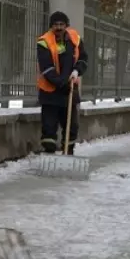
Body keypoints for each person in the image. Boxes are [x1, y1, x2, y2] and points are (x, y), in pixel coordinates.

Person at [36, 11, 89, 153]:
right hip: (50, 93)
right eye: (55, 25)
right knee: (49, 127)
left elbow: (83, 58)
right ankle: (49, 153)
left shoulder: (75, 39)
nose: (58, 28)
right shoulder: (44, 42)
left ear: (66, 25)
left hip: (70, 91)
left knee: (71, 126)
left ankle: (68, 152)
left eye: (61, 24)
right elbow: (47, 69)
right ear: (51, 27)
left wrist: (77, 70)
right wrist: (62, 83)